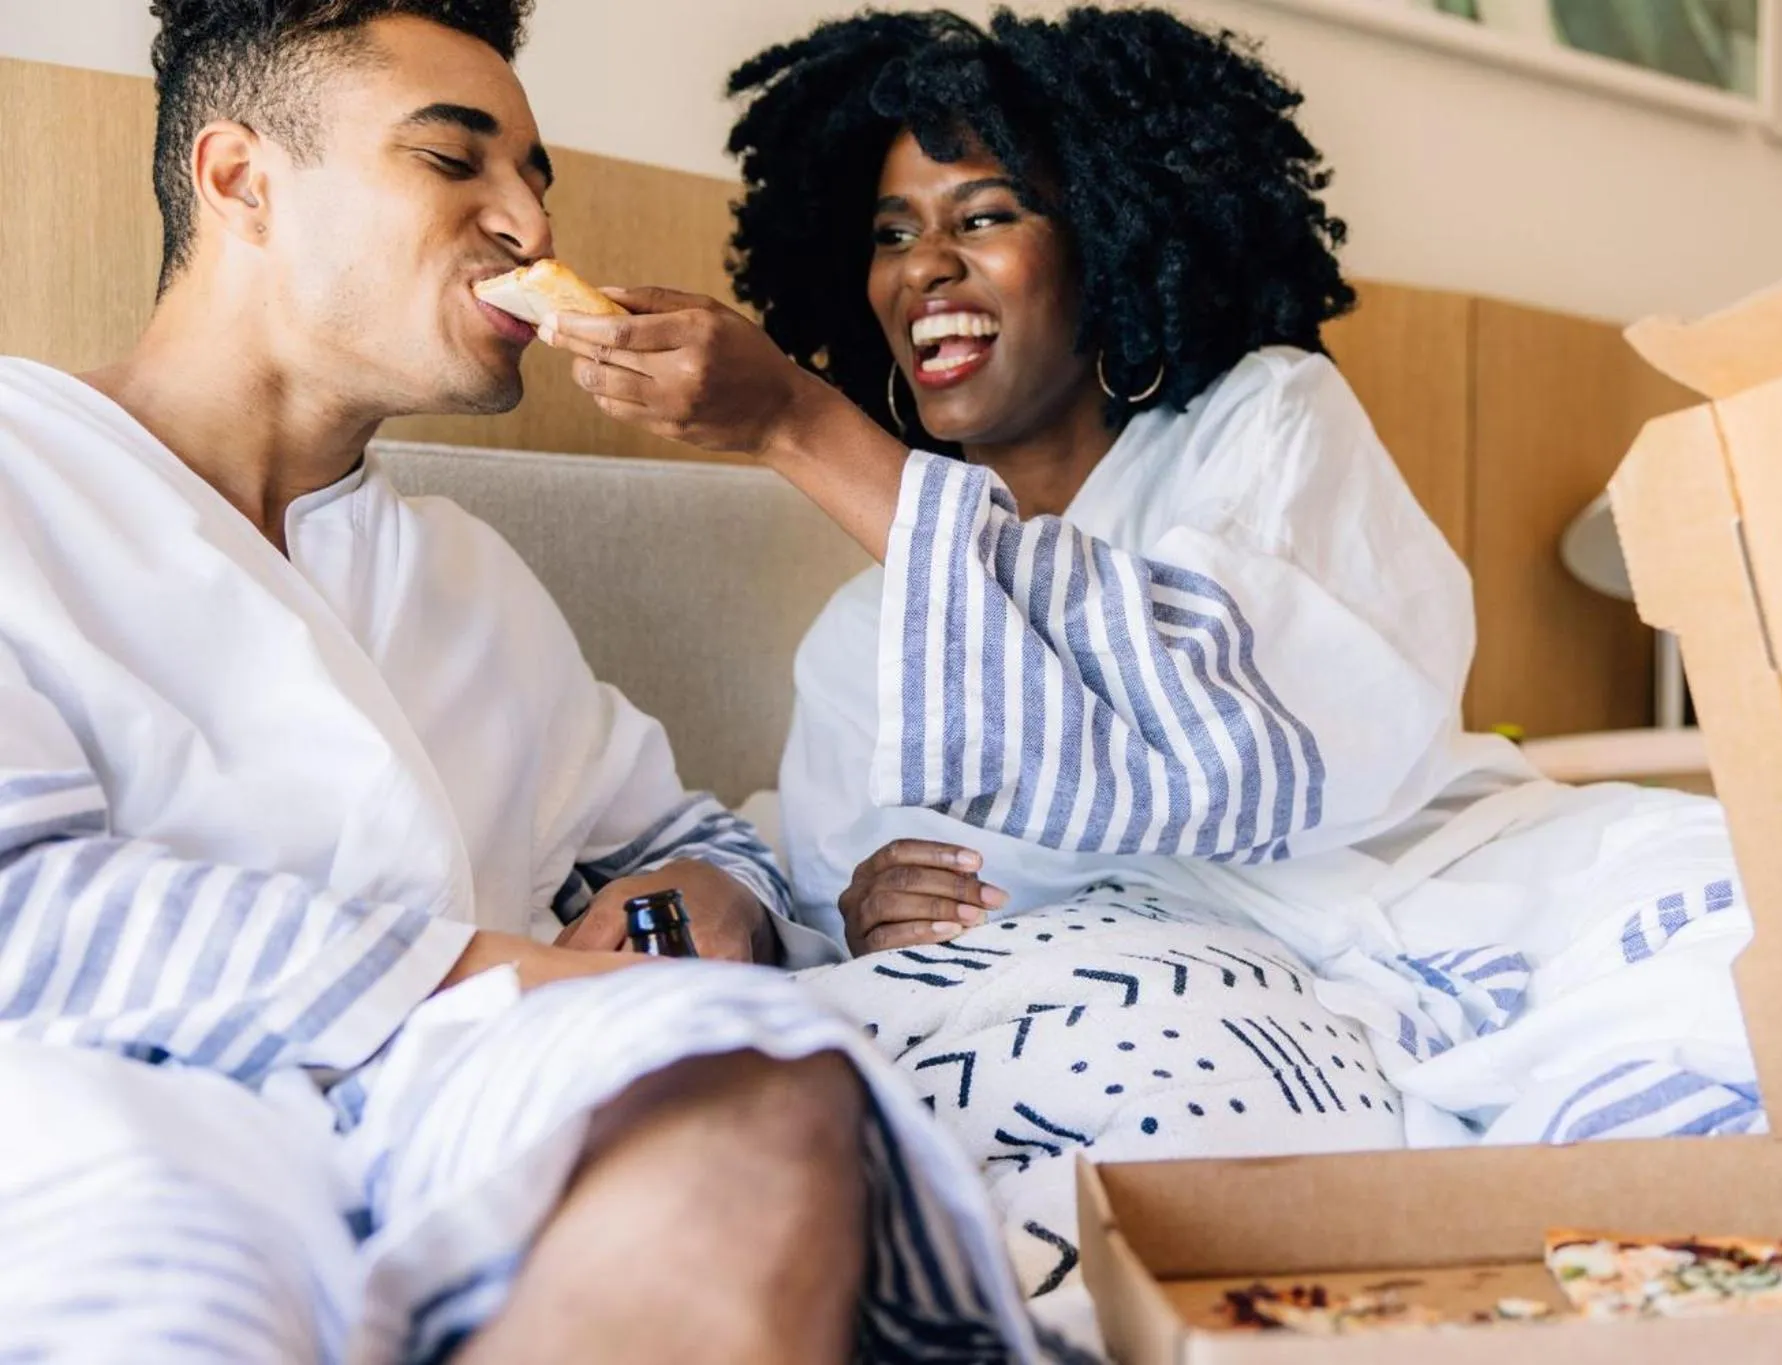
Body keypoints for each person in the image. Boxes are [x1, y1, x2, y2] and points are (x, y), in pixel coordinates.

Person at [542, 5, 1761, 1299]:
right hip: (1182, 984)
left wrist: (799, 420)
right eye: (893, 232)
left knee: (1767, 935)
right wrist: (862, 912)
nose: (926, 268)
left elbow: (1232, 714)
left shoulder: (1262, 419)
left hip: (1459, 887)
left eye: (985, 214)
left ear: (1111, 237)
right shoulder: (865, 637)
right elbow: (867, 907)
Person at [0, 3, 1044, 1362]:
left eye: (534, 177)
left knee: (763, 1084)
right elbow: (23, 907)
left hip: (467, 1098)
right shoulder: (26, 478)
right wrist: (514, 973)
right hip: (123, 1100)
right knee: (174, 1281)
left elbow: (690, 841)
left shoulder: (460, 573)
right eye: (455, 162)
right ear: (242, 181)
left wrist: (706, 908)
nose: (531, 228)